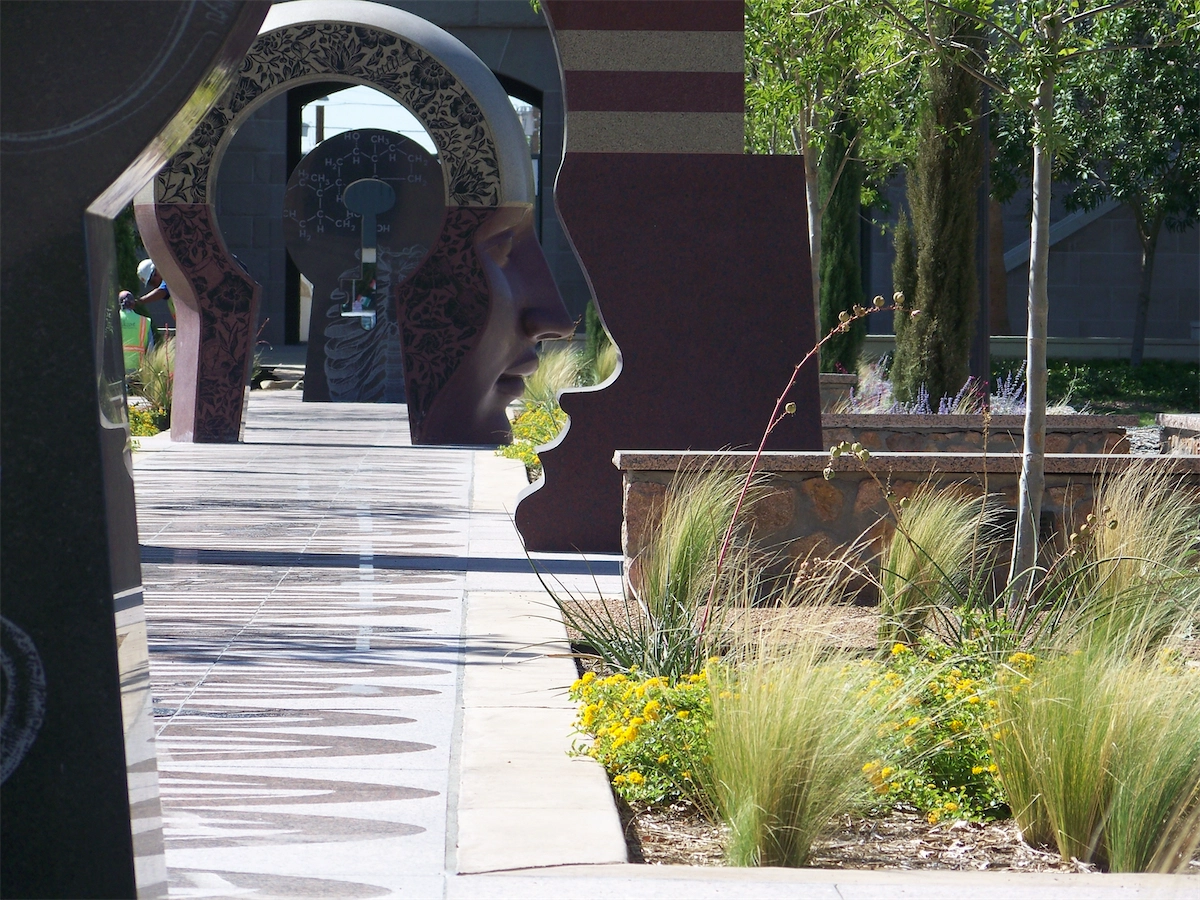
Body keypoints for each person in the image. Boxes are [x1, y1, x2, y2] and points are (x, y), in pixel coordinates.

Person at [118, 290, 154, 376]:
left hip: (117, 365)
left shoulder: (113, 319)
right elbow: (151, 348)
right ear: (133, 303)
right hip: (138, 366)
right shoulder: (144, 321)